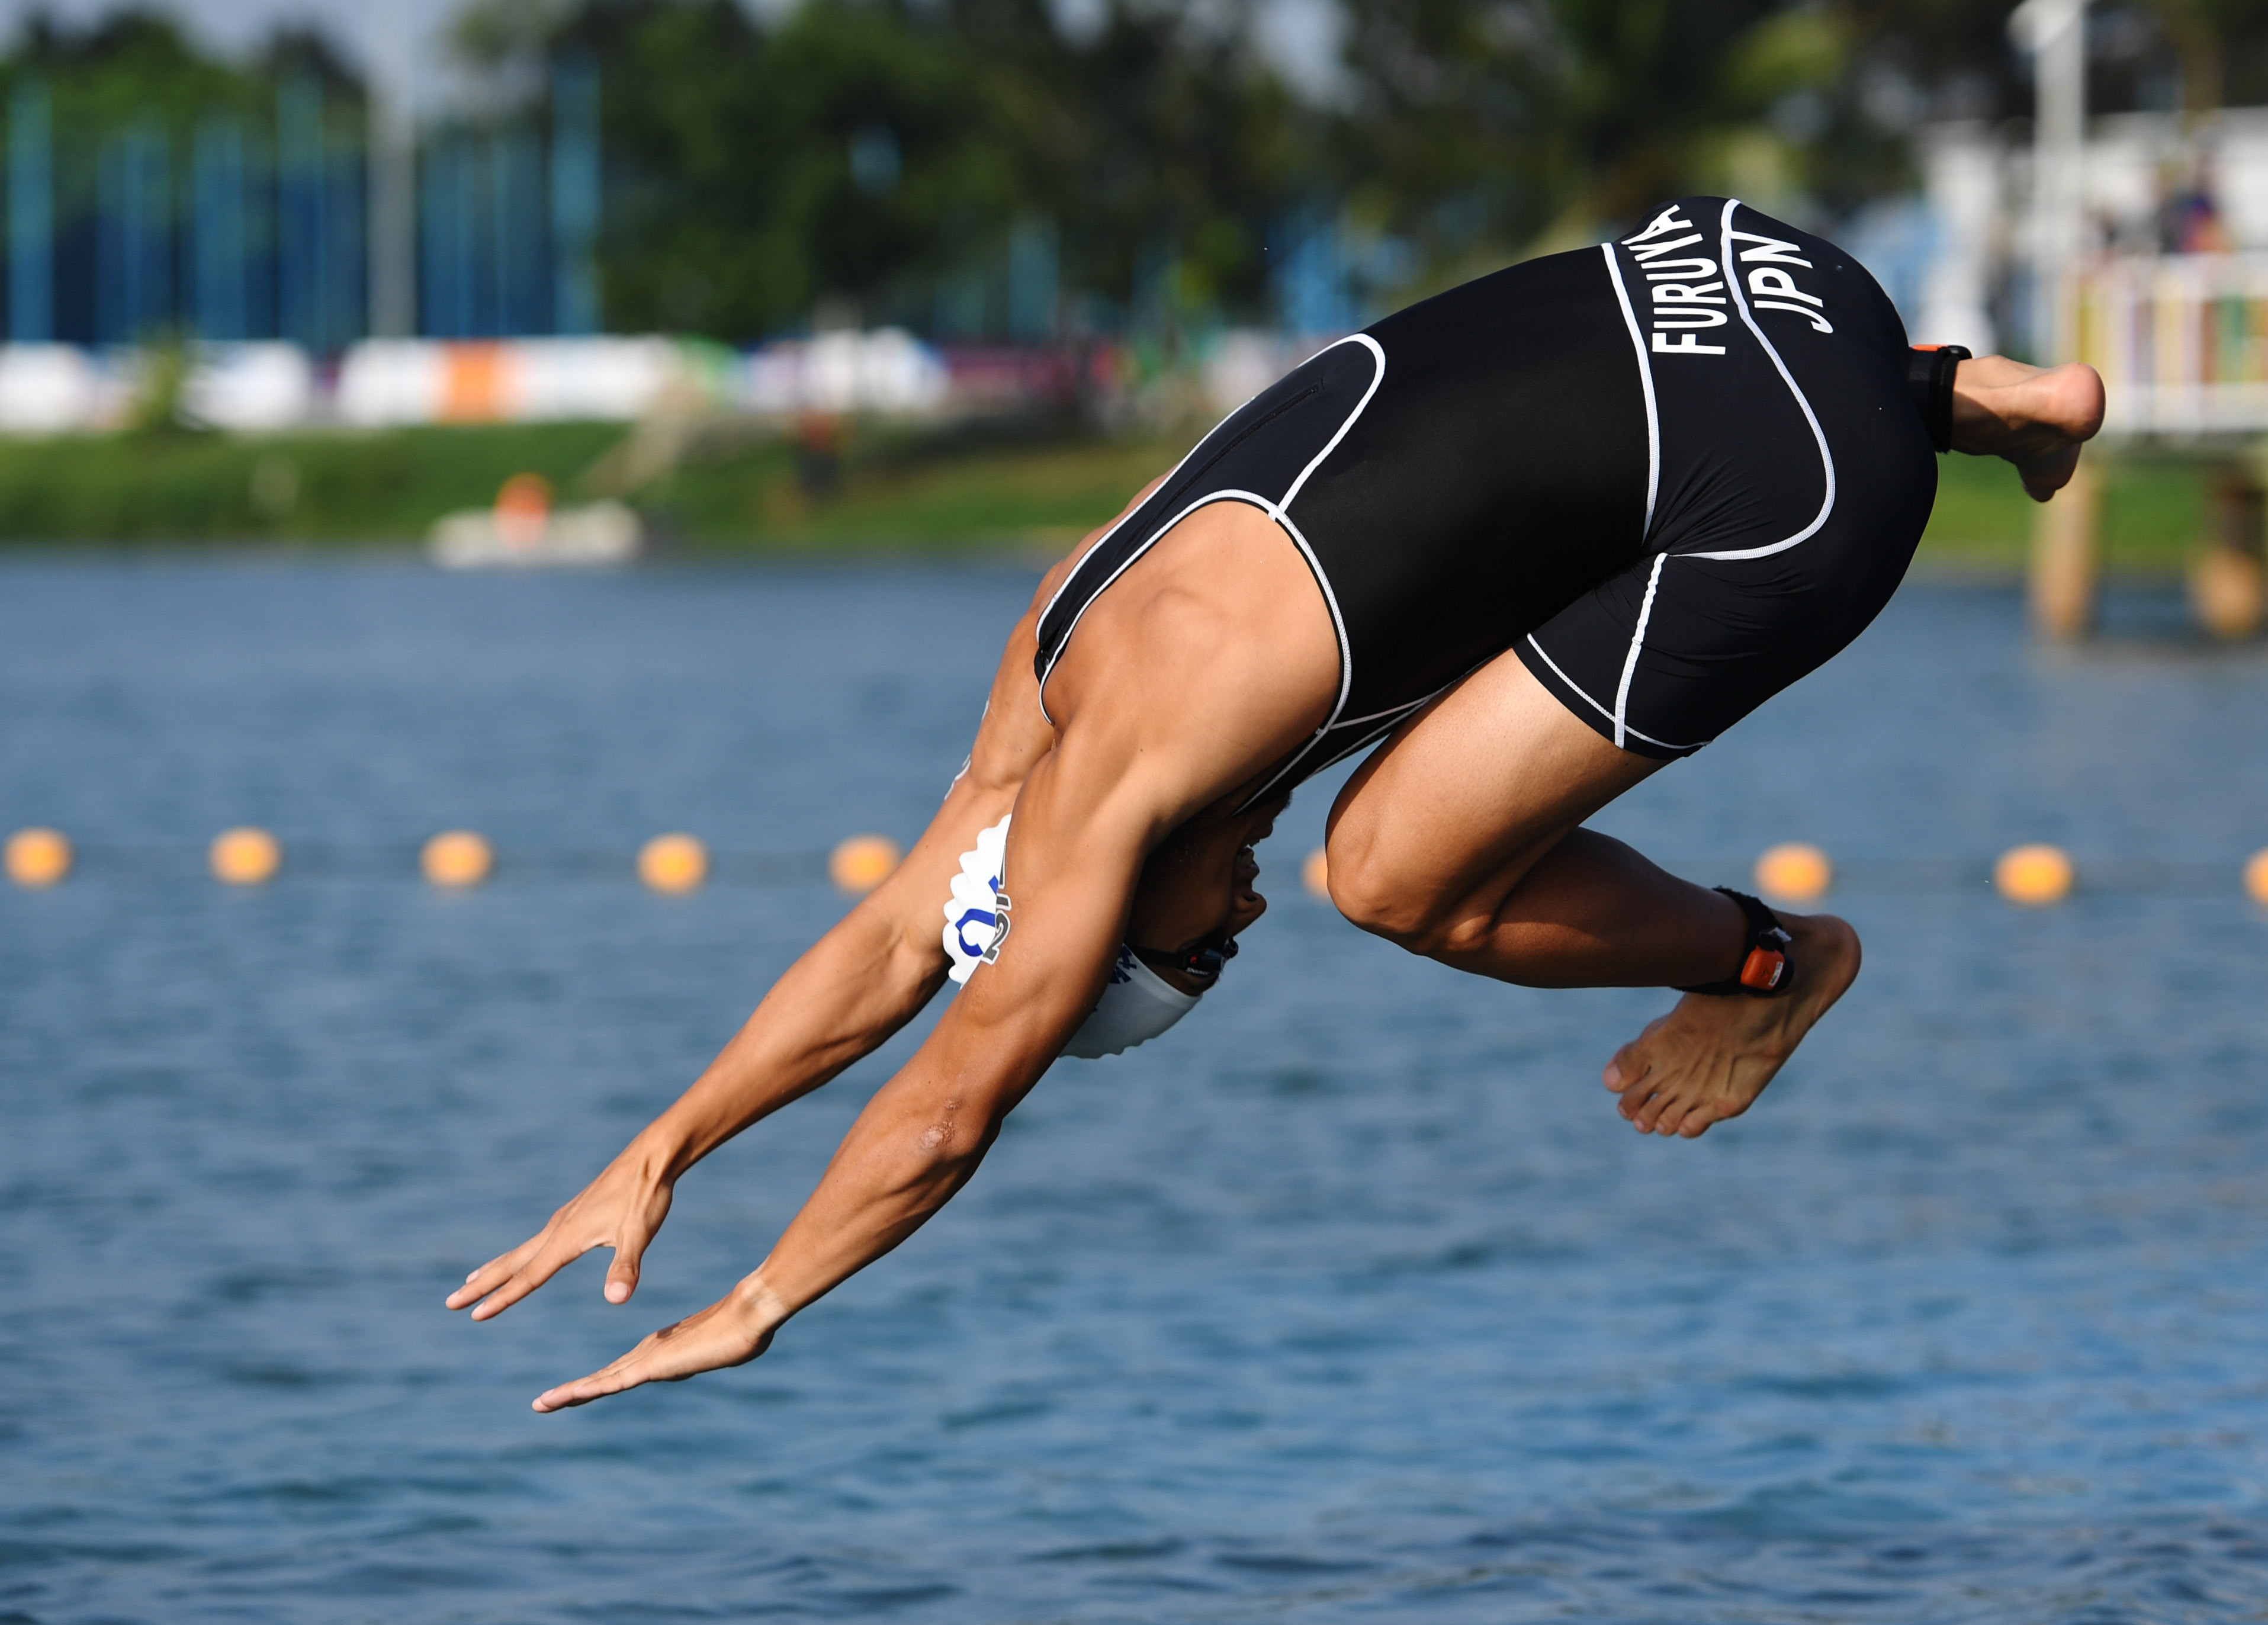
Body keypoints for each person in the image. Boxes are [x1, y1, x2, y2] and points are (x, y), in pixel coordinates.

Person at [448, 197, 2105, 1412]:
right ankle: (1966, 394)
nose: (1233, 925)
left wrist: (761, 1299)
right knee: (1512, 534)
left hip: (1804, 491)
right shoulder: (1058, 653)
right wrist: (657, 1151)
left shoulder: (1135, 791)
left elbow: (948, 1103)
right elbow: (901, 936)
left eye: (1193, 958)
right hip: (1752, 268)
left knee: (1386, 876)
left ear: (1101, 920)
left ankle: (1770, 967)